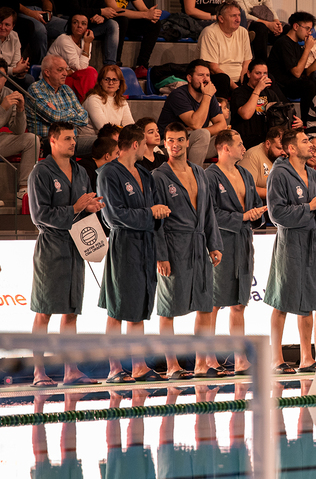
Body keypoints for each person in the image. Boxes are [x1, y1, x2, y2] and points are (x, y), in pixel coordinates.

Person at [27, 121, 103, 387]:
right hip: (52, 246)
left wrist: (90, 208)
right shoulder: (41, 172)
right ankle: (39, 372)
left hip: (76, 245)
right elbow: (39, 215)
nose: (73, 142)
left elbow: (82, 209)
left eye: (74, 138)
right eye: (68, 138)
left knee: (71, 311)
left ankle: (71, 370)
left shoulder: (80, 171)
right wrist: (75, 208)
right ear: (53, 141)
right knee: (44, 311)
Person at [97, 124, 171, 383]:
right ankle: (114, 367)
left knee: (138, 306)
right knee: (117, 308)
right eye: (144, 144)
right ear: (136, 144)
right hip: (124, 244)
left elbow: (155, 209)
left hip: (146, 243)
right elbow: (113, 216)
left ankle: (139, 365)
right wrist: (151, 213)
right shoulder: (108, 173)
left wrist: (158, 214)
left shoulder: (144, 174)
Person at [152, 121, 225, 379]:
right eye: (170, 140)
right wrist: (161, 255)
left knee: (205, 306)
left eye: (180, 139)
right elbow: (156, 222)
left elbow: (208, 212)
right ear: (164, 144)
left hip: (198, 243)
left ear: (187, 142)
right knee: (168, 308)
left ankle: (201, 364)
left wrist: (214, 244)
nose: (175, 145)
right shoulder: (159, 176)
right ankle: (172, 365)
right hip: (174, 245)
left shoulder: (199, 172)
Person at [265, 128, 316, 373]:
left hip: (313, 241)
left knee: (309, 302)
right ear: (291, 148)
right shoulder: (279, 174)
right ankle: (276, 359)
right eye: (305, 141)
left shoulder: (313, 175)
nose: (311, 145)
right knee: (282, 301)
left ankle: (307, 358)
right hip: (290, 243)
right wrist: (309, 207)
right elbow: (276, 214)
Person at [206, 129, 266, 375]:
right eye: (240, 144)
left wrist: (255, 215)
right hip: (220, 243)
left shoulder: (245, 174)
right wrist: (241, 216)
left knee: (239, 304)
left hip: (243, 241)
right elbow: (208, 213)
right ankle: (208, 357)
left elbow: (254, 207)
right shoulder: (210, 176)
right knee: (213, 304)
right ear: (225, 148)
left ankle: (240, 358)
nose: (244, 148)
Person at [156, 59, 227, 165]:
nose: (205, 79)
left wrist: (200, 131)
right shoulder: (178, 95)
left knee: (229, 136)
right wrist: (207, 96)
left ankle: (227, 174)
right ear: (189, 78)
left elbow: (222, 125)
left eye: (207, 75)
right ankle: (194, 174)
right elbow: (196, 124)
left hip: (194, 141)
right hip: (168, 144)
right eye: (201, 75)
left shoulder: (209, 96)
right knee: (202, 135)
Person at [104, 0, 162, 78]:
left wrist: (152, 14)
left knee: (154, 23)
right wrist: (145, 14)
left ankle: (142, 65)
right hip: (108, 23)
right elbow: (115, 10)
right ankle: (116, 63)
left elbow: (143, 9)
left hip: (124, 24)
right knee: (121, 19)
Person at [26, 55, 90, 152]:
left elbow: (84, 118)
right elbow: (53, 116)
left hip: (72, 139)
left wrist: (59, 112)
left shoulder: (66, 89)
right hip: (48, 142)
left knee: (105, 143)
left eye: (65, 69)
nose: (65, 73)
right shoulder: (35, 89)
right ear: (47, 72)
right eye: (60, 70)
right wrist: (73, 112)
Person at [229, 58, 293, 149]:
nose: (262, 77)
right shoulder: (239, 92)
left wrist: (295, 122)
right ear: (248, 74)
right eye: (258, 73)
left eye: (265, 73)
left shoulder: (270, 93)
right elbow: (246, 115)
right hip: (246, 141)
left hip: (267, 140)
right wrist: (258, 89)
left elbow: (281, 116)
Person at [0, 57, 38, 201]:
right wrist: (2, 108)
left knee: (32, 139)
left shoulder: (9, 93)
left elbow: (18, 131)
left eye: (1, 76)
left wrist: (21, 110)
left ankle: (24, 189)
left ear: (6, 78)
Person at [198, 2, 252, 98]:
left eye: (239, 15)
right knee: (222, 79)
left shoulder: (243, 32)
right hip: (220, 79)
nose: (238, 19)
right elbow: (213, 68)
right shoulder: (209, 33)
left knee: (262, 75)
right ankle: (221, 105)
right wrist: (237, 89)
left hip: (239, 80)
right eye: (233, 16)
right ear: (221, 19)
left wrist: (243, 83)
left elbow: (247, 61)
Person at [267, 11, 316, 104]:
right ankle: (305, 114)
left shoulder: (297, 46)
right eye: (307, 29)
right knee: (308, 86)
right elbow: (297, 73)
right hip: (280, 86)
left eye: (310, 30)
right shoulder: (283, 43)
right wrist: (307, 49)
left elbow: (303, 72)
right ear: (296, 26)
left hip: (292, 83)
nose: (309, 33)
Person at [46, 14, 98, 99]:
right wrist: (87, 44)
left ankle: (87, 102)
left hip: (69, 76)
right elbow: (80, 67)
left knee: (90, 72)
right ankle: (87, 103)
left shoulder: (86, 40)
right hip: (54, 78)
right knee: (89, 73)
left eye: (83, 23)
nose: (79, 26)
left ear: (87, 28)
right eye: (75, 22)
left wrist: (71, 71)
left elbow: (82, 68)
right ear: (70, 25)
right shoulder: (64, 40)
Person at [81, 65, 134, 139]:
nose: (111, 83)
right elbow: (104, 129)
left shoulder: (122, 101)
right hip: (91, 139)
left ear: (120, 83)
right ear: (100, 82)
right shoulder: (93, 99)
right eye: (107, 79)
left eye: (114, 79)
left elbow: (130, 126)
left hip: (113, 137)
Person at [239, 126, 284, 201]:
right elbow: (246, 188)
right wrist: (276, 194)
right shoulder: (252, 156)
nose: (284, 152)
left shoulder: (285, 156)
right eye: (279, 148)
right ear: (268, 144)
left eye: (285, 148)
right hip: (259, 205)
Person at [0, 6, 32, 88]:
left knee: (29, 79)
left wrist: (21, 71)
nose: (2, 27)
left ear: (13, 26)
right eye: (0, 23)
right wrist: (15, 70)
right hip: (2, 75)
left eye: (7, 25)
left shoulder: (14, 36)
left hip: (9, 75)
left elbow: (16, 64)